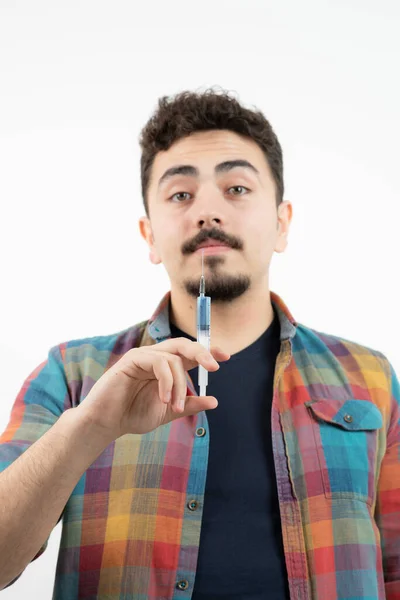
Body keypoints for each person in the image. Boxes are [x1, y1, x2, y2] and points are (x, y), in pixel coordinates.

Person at [0, 89, 398, 600]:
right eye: (181, 195)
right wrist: (90, 428)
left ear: (281, 224)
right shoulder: (72, 373)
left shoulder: (369, 378)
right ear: (149, 235)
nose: (208, 211)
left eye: (236, 188)